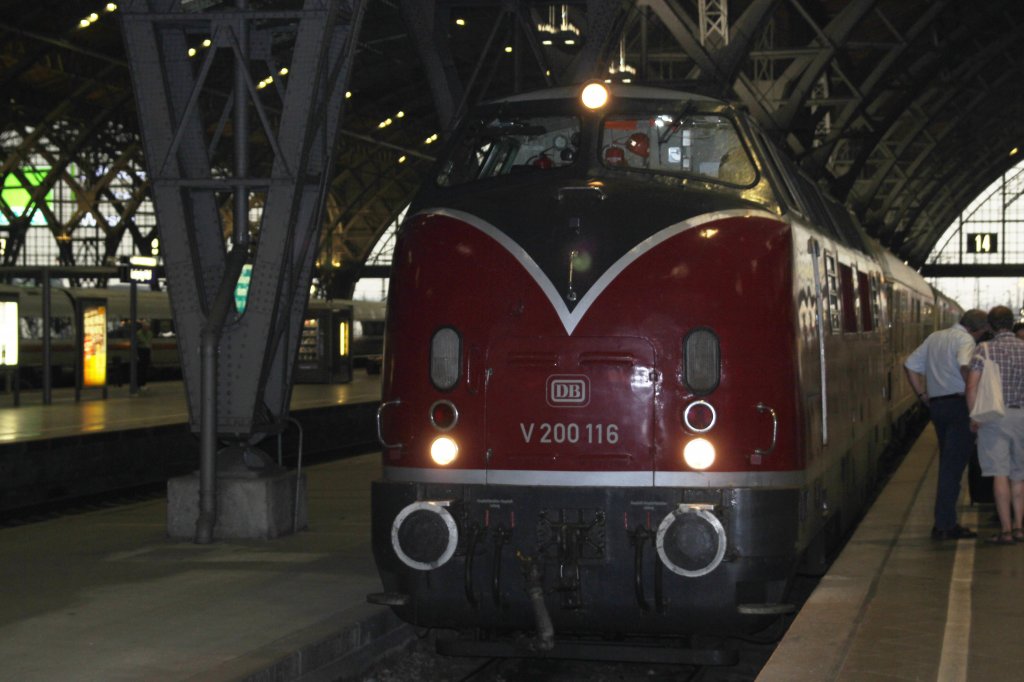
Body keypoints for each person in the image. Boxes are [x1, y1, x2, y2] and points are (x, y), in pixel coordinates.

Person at [904, 308, 990, 540]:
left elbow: (910, 365)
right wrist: (975, 395)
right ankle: (945, 525)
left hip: (938, 407)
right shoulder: (965, 340)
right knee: (952, 468)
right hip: (959, 407)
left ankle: (944, 521)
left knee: (948, 463)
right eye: (982, 332)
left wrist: (922, 396)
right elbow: (965, 366)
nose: (981, 336)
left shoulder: (935, 337)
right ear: (976, 329)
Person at [966, 306, 1024, 544]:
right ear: (1012, 324)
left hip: (993, 418)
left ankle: (1006, 531)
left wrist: (974, 416)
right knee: (1019, 475)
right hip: (1022, 417)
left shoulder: (984, 350)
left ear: (990, 326)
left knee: (999, 473)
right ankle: (1021, 528)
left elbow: (971, 385)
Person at [136, 319, 153, 388]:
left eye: (147, 327)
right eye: (145, 327)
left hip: (146, 351)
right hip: (141, 351)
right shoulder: (139, 333)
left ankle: (143, 384)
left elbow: (148, 342)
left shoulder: (149, 333)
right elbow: (144, 341)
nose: (146, 328)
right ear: (142, 327)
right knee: (141, 369)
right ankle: (140, 384)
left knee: (145, 368)